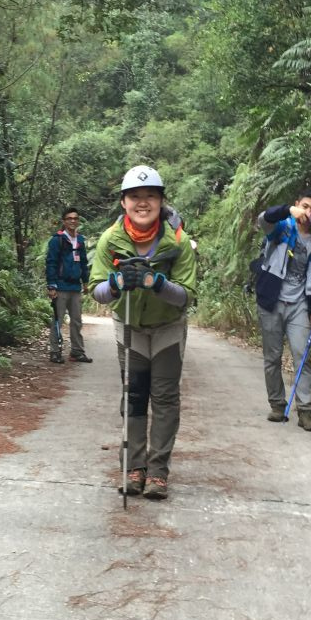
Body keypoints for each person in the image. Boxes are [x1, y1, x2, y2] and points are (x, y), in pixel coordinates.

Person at [89, 165, 197, 500]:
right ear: (124, 202)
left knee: (164, 399)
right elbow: (96, 290)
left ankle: (158, 472)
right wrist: (117, 283)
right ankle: (134, 468)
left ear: (161, 201)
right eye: (135, 196)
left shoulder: (177, 241)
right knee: (134, 397)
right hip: (130, 327)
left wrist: (157, 283)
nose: (142, 203)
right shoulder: (111, 240)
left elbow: (186, 296)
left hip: (168, 328)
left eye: (150, 196)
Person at [254, 189, 311, 431]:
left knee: (302, 355)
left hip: (300, 305)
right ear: (298, 204)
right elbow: (263, 219)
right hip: (272, 300)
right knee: (272, 357)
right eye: (305, 206)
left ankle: (306, 411)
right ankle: (277, 405)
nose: (309, 212)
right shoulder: (283, 226)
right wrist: (287, 210)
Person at [46, 207, 92, 364]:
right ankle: (55, 351)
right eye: (69, 218)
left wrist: (85, 282)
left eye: (75, 218)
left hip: (75, 287)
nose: (73, 220)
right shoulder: (57, 240)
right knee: (58, 320)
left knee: (77, 321)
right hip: (60, 286)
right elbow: (51, 263)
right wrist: (51, 285)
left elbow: (84, 262)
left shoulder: (80, 241)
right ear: (64, 221)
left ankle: (77, 351)